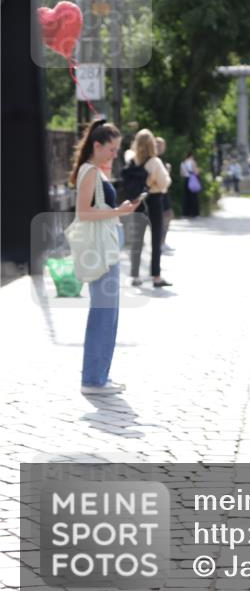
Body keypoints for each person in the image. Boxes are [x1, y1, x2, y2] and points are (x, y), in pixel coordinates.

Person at [71, 119, 140, 395]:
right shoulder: (89, 173)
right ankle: (93, 379)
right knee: (103, 314)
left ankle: (98, 376)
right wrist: (118, 212)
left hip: (105, 250)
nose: (115, 154)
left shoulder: (93, 171)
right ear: (97, 146)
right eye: (111, 149)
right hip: (100, 252)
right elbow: (83, 213)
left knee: (107, 314)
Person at [131, 129, 172, 287]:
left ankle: (135, 274)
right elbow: (163, 183)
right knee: (156, 239)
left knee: (137, 240)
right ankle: (156, 275)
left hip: (138, 201)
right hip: (154, 200)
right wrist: (165, 177)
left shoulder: (133, 160)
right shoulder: (155, 162)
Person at [154, 137, 175, 254]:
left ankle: (162, 241)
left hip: (164, 191)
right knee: (164, 217)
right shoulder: (155, 160)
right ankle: (159, 242)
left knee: (168, 215)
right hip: (159, 192)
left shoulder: (161, 159)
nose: (161, 147)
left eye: (162, 145)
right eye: (159, 145)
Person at [180, 151, 201, 218]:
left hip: (186, 180)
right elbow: (196, 172)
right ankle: (194, 213)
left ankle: (186, 213)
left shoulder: (183, 163)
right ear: (191, 156)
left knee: (186, 197)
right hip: (192, 180)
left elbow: (182, 174)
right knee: (194, 197)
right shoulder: (192, 162)